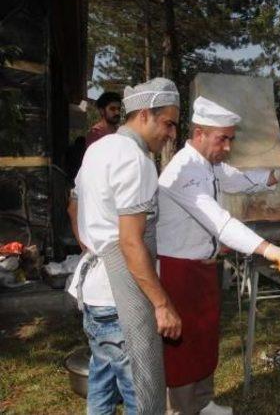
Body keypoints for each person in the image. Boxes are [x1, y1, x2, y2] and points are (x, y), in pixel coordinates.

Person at [156, 96, 280, 415]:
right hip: (178, 270)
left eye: (230, 139)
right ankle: (181, 409)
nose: (227, 147)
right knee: (183, 344)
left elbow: (240, 180)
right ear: (199, 133)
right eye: (222, 139)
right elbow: (220, 222)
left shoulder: (207, 164)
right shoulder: (184, 171)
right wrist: (268, 248)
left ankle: (203, 401)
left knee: (206, 337)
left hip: (203, 267)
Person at [69, 77, 182, 414]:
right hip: (122, 302)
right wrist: (162, 304)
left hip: (94, 296)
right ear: (144, 114)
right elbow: (131, 243)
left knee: (102, 388)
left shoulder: (98, 149)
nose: (172, 134)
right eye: (168, 123)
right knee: (142, 396)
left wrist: (94, 244)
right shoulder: (136, 160)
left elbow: (72, 205)